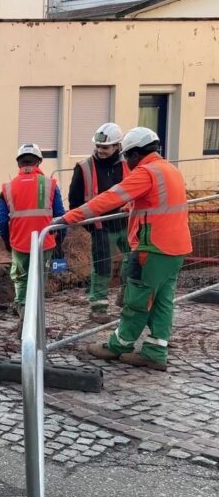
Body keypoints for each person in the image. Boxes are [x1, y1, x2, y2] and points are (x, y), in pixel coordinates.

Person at [54, 127, 191, 371]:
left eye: (128, 155)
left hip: (153, 247)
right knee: (162, 301)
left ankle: (118, 345)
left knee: (138, 298)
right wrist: (133, 209)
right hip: (175, 248)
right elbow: (156, 203)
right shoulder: (169, 169)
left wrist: (68, 218)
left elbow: (109, 198)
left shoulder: (146, 172)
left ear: (136, 153)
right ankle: (155, 350)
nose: (126, 160)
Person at [0, 143, 66, 330]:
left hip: (19, 243)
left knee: (21, 279)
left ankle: (22, 310)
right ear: (39, 162)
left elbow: (2, 221)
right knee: (39, 280)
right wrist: (59, 240)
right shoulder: (50, 185)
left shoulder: (7, 188)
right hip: (45, 242)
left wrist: (6, 242)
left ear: (19, 163)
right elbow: (61, 216)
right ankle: (33, 319)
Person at [68, 123, 130, 323]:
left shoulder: (127, 165)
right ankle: (98, 306)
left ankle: (127, 294)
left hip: (127, 222)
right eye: (98, 146)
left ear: (117, 146)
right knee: (102, 267)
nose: (100, 151)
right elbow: (75, 200)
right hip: (101, 226)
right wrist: (90, 225)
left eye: (105, 147)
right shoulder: (84, 168)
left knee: (136, 260)